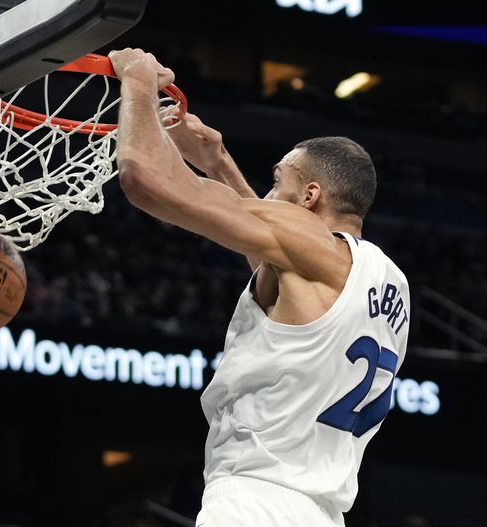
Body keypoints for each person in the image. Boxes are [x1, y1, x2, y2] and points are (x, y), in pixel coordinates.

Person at [108, 48, 410, 527]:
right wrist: (218, 161)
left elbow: (144, 179)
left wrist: (139, 82)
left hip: (253, 503)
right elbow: (277, 260)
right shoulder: (387, 281)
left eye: (277, 181)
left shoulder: (311, 244)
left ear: (310, 197)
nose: (269, 195)